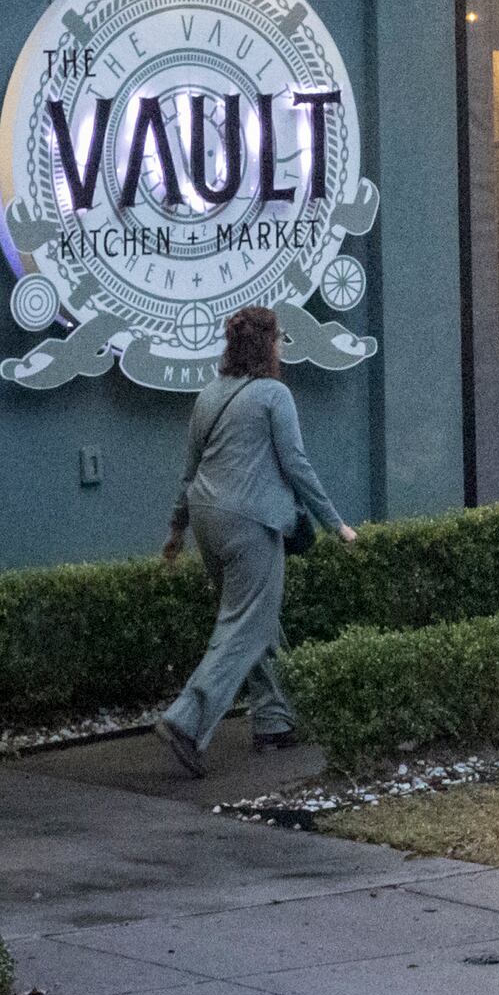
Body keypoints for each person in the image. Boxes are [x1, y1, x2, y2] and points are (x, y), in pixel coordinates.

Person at [154, 304, 356, 774]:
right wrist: (335, 523)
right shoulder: (273, 395)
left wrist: (176, 531)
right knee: (245, 625)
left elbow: (189, 473)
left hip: (208, 519)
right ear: (268, 345)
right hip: (251, 521)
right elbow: (296, 465)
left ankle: (274, 721)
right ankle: (186, 720)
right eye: (279, 340)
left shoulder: (208, 394)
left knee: (254, 617)